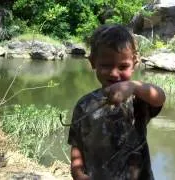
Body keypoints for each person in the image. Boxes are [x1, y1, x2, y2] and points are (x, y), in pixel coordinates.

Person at [67, 25, 165, 180]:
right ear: (93, 62)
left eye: (123, 66)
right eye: (106, 65)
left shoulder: (138, 98)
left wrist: (133, 86)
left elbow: (159, 97)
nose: (114, 73)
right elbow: (77, 144)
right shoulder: (84, 105)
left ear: (135, 63)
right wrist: (77, 171)